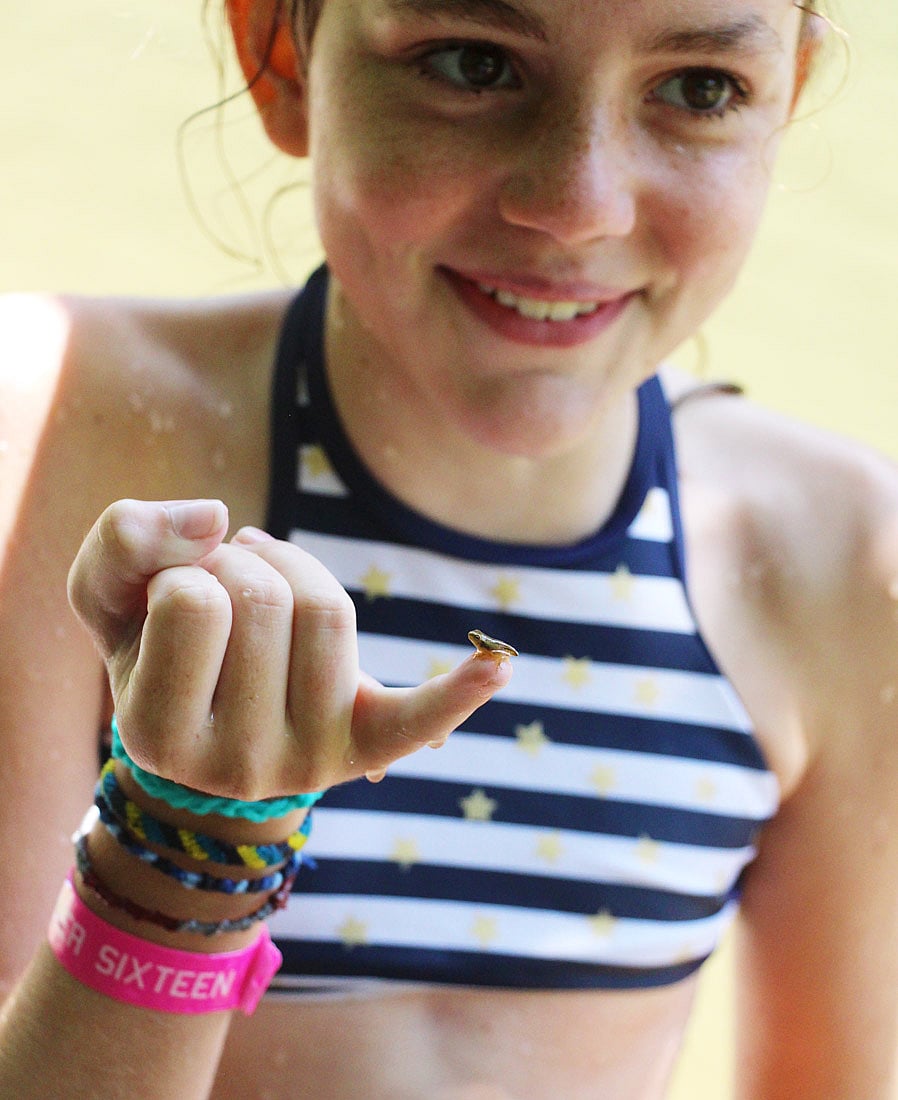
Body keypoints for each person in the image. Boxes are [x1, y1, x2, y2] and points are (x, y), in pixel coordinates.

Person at [1, 0, 896, 1097]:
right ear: (280, 57)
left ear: (784, 98)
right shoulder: (48, 442)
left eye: (700, 86)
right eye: (472, 64)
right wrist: (184, 846)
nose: (576, 206)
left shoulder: (842, 554)